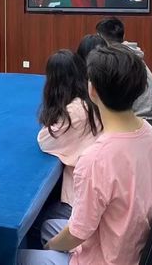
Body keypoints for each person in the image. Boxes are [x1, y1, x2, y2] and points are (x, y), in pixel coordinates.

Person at [18, 45, 152, 265]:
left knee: (18, 256)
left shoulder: (95, 159)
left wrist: (50, 248)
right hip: (133, 244)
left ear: (93, 90)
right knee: (48, 226)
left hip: (104, 257)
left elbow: (77, 233)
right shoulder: (149, 134)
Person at [36, 50, 102, 221]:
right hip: (97, 183)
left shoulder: (74, 112)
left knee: (38, 221)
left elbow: (45, 141)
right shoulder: (91, 99)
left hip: (82, 199)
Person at [95, 17, 152, 118]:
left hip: (141, 118)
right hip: (148, 114)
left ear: (100, 38)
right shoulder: (130, 53)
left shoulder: (118, 59)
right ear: (124, 35)